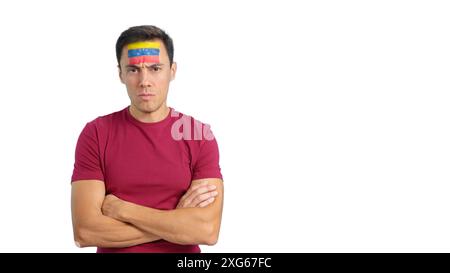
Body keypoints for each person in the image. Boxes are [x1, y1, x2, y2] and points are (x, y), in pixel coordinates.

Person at [70, 25, 224, 253]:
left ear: (172, 71)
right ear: (120, 74)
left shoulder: (197, 134)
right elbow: (85, 232)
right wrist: (177, 223)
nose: (144, 81)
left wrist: (123, 210)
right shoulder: (96, 133)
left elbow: (207, 231)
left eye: (155, 68)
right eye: (133, 70)